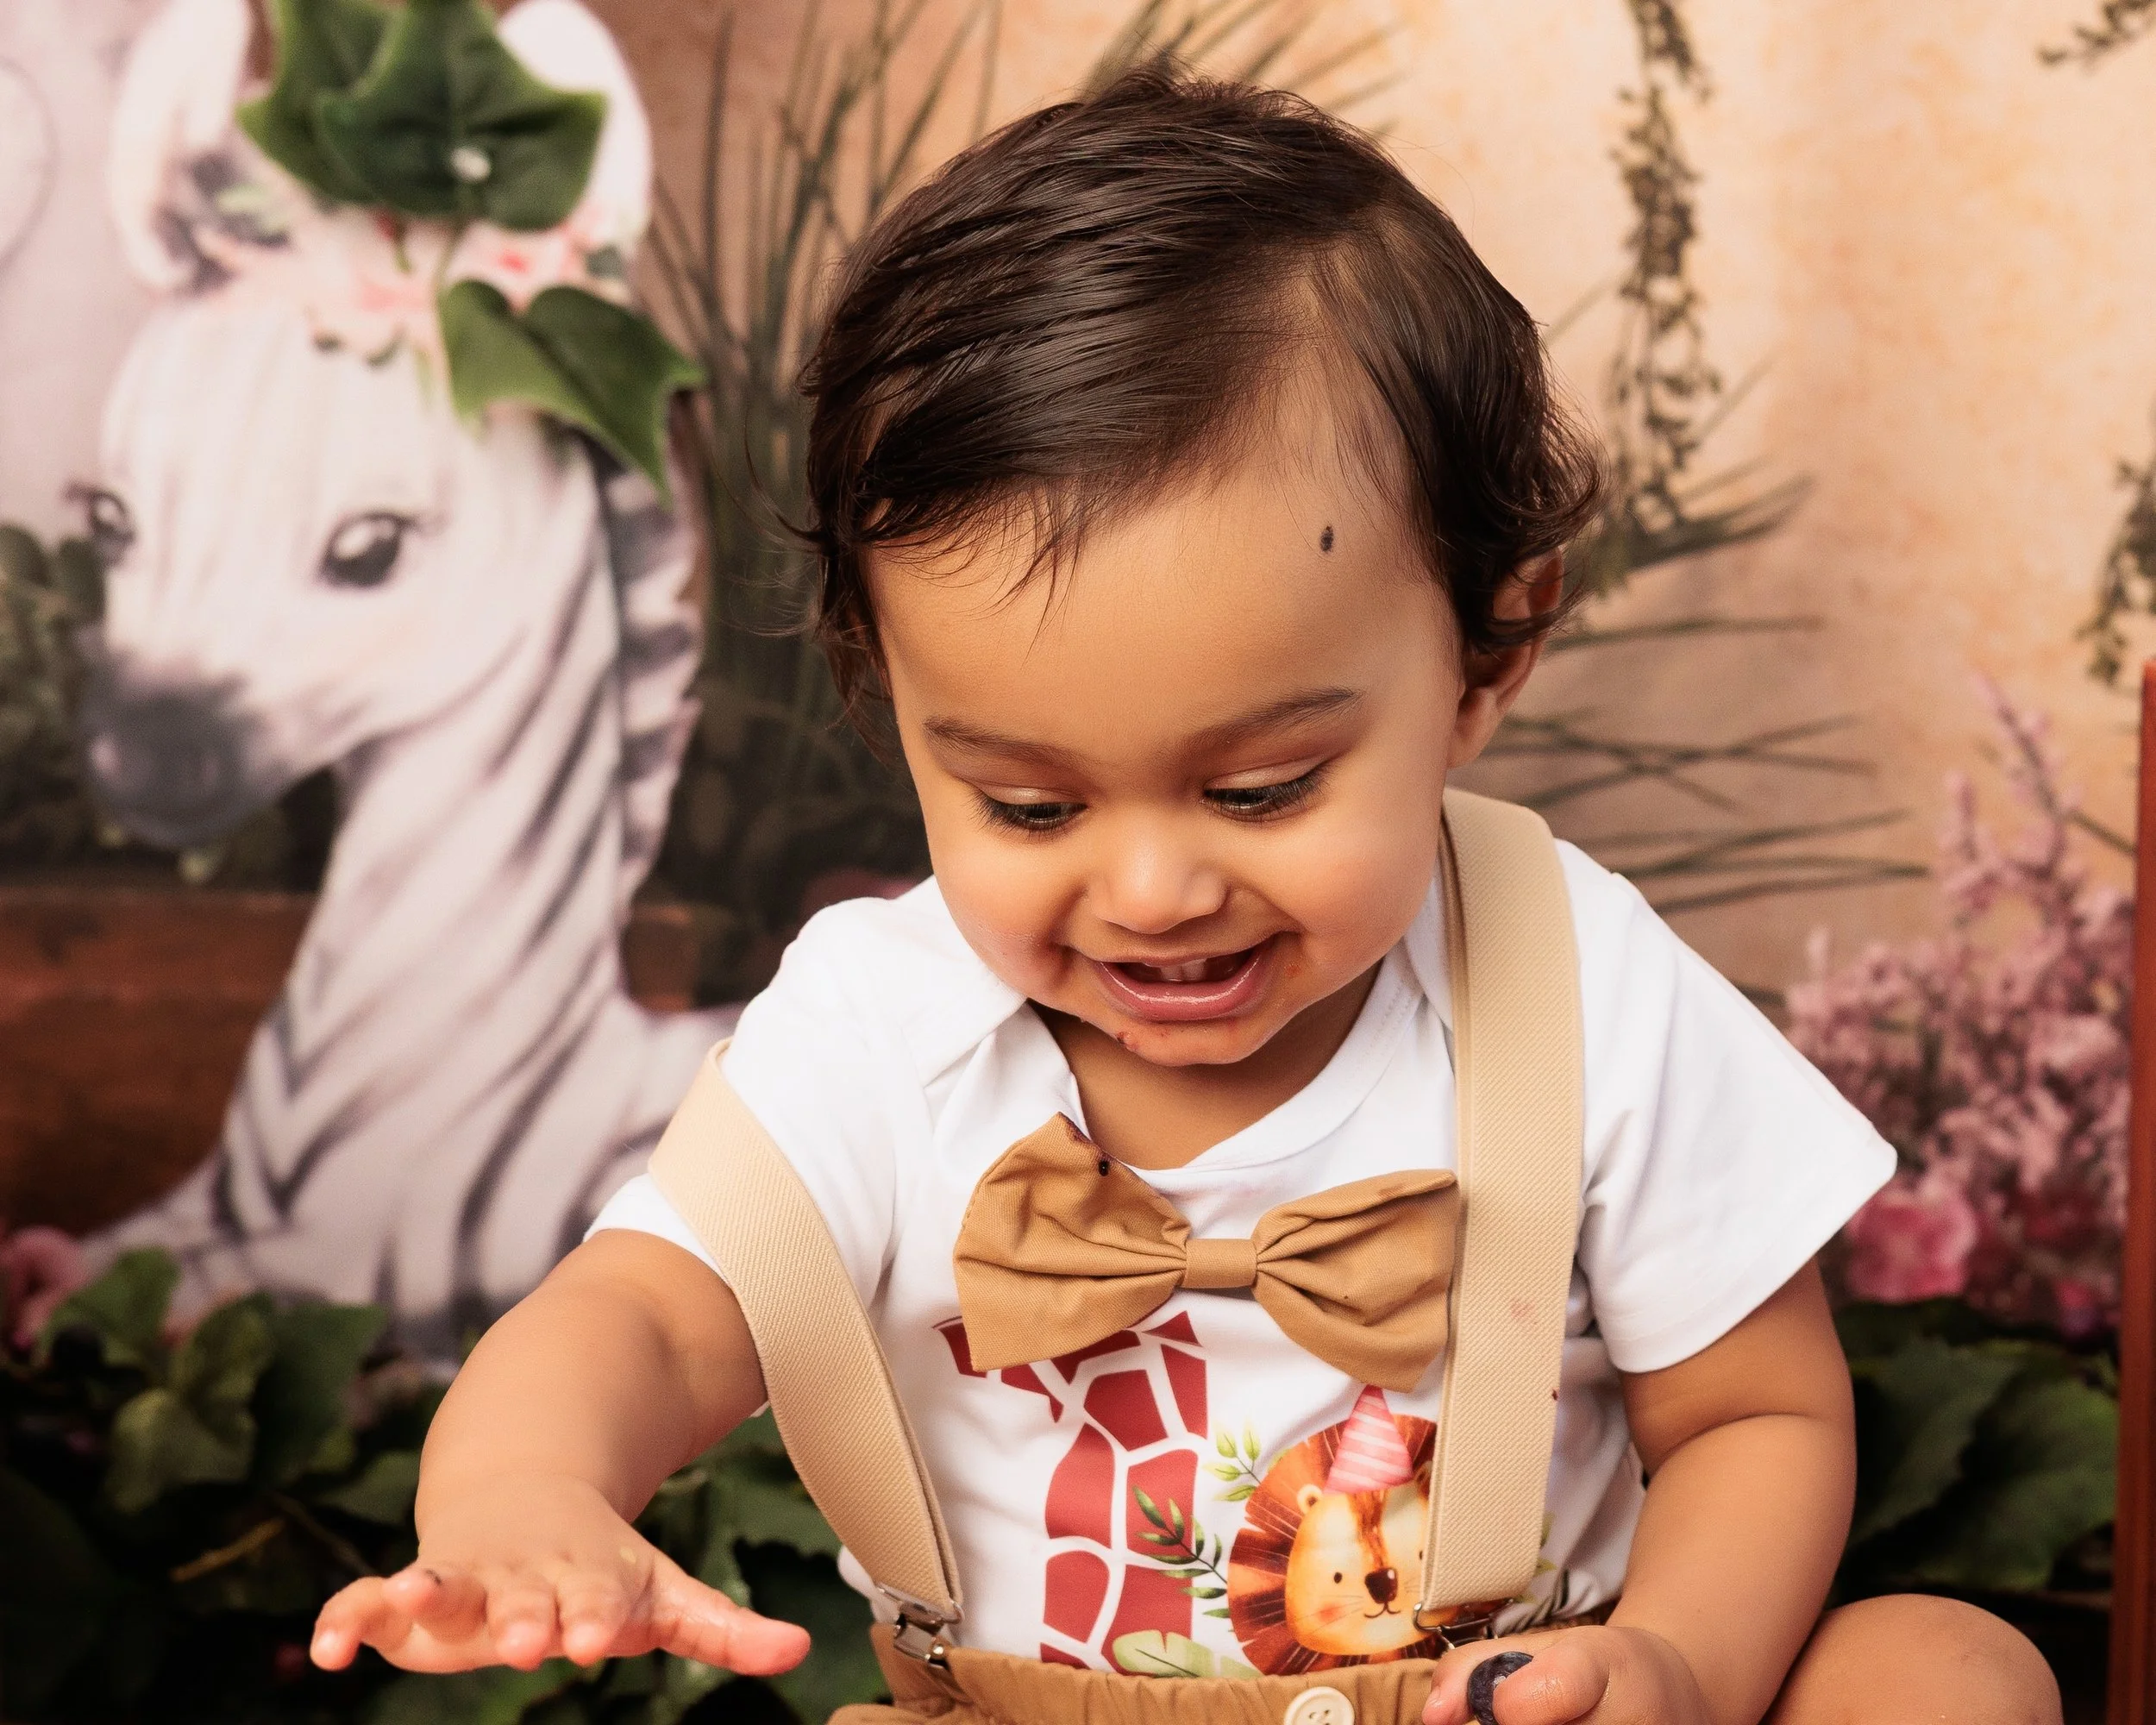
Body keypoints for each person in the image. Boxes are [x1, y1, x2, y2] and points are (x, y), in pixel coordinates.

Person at [311, 64, 2063, 1725]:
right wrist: (527, 1491)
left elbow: (1753, 1407)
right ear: (888, 701)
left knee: (1936, 1662)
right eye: (1024, 800)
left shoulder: (1571, 982)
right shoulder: (879, 1022)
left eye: (1258, 787)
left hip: (1490, 1699)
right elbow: (636, 1314)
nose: (1151, 888)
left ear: (1484, 646)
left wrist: (1672, 1662)